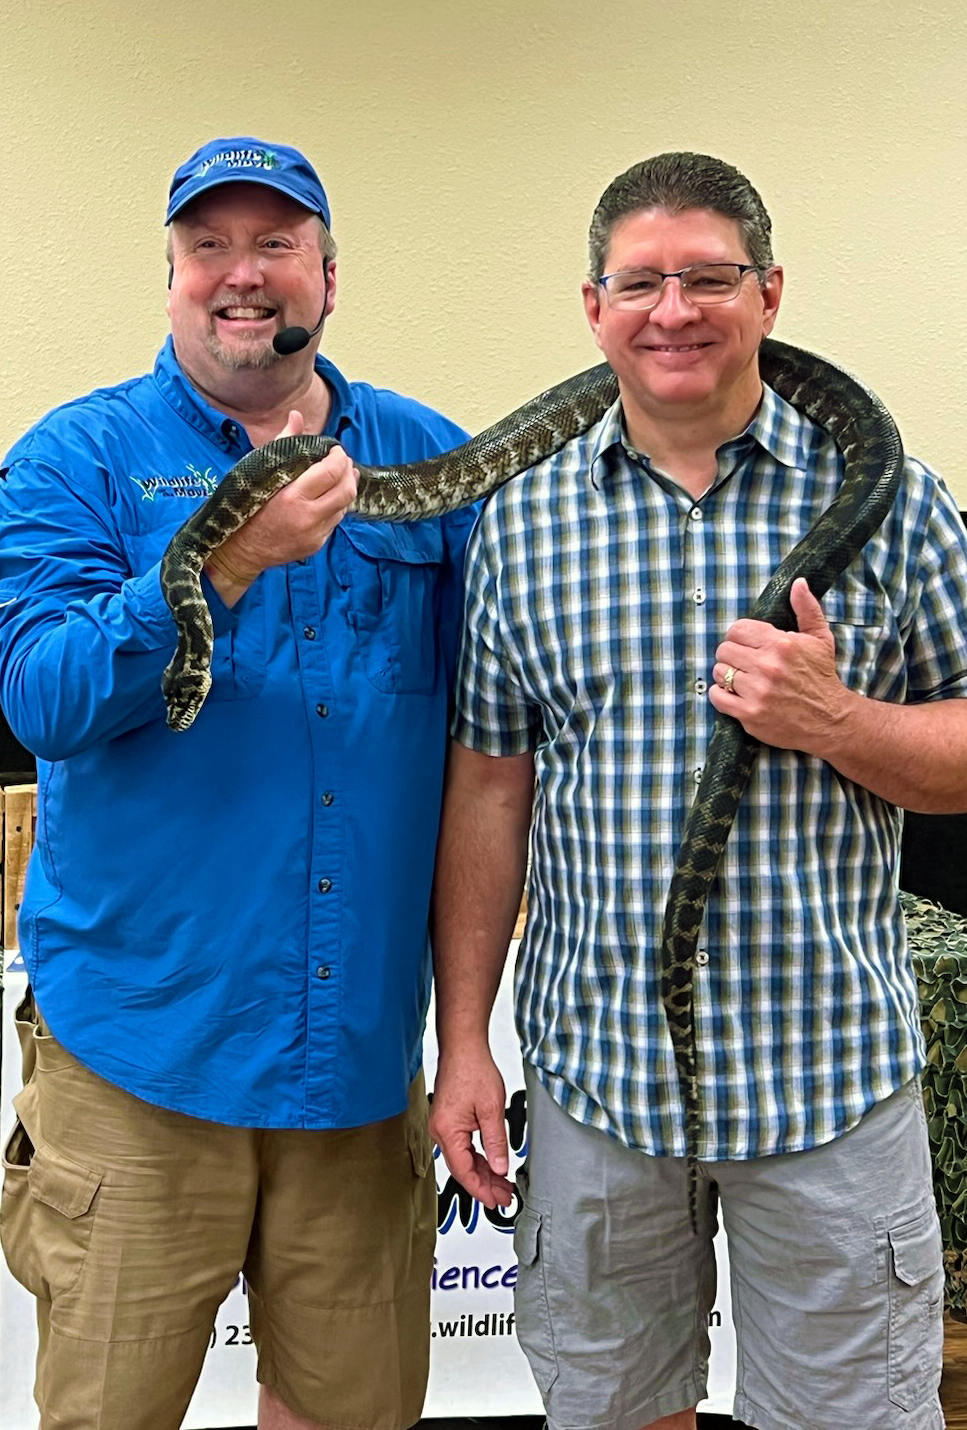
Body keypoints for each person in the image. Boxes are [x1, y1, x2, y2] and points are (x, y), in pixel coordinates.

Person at [428, 151, 967, 1430]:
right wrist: (464, 1041)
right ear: (594, 309)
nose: (673, 310)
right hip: (596, 1083)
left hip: (826, 1080)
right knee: (611, 1409)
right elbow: (490, 790)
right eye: (640, 282)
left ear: (768, 293)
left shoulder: (893, 502)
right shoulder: (520, 523)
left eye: (709, 277)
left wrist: (834, 719)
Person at [0, 136, 477, 1430]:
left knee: (351, 1410)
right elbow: (41, 697)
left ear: (329, 274)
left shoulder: (429, 459)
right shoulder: (78, 457)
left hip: (352, 1059)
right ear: (170, 278)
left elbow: (501, 721)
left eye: (276, 244)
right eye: (208, 246)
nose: (242, 272)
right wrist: (220, 565)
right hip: (139, 1054)